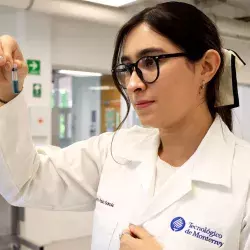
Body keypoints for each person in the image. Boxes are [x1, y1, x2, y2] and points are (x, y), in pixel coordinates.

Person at [0, 1, 248, 249]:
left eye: (150, 62)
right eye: (128, 68)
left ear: (206, 67)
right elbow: (25, 182)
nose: (132, 84)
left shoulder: (243, 178)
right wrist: (5, 94)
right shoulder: (115, 151)